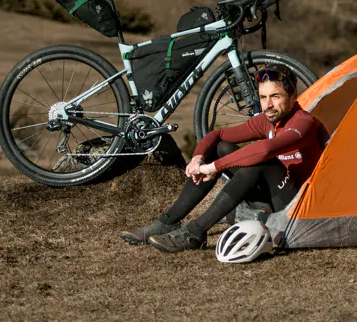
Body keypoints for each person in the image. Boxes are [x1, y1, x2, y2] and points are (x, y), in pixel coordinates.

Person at [121, 68, 326, 253]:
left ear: (293, 95)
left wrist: (214, 168)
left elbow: (265, 150)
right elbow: (217, 135)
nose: (268, 105)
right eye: (263, 97)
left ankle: (195, 233)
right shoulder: (267, 120)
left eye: (275, 96)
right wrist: (198, 159)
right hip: (270, 195)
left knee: (259, 161)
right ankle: (167, 222)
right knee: (221, 148)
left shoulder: (304, 122)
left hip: (296, 202)